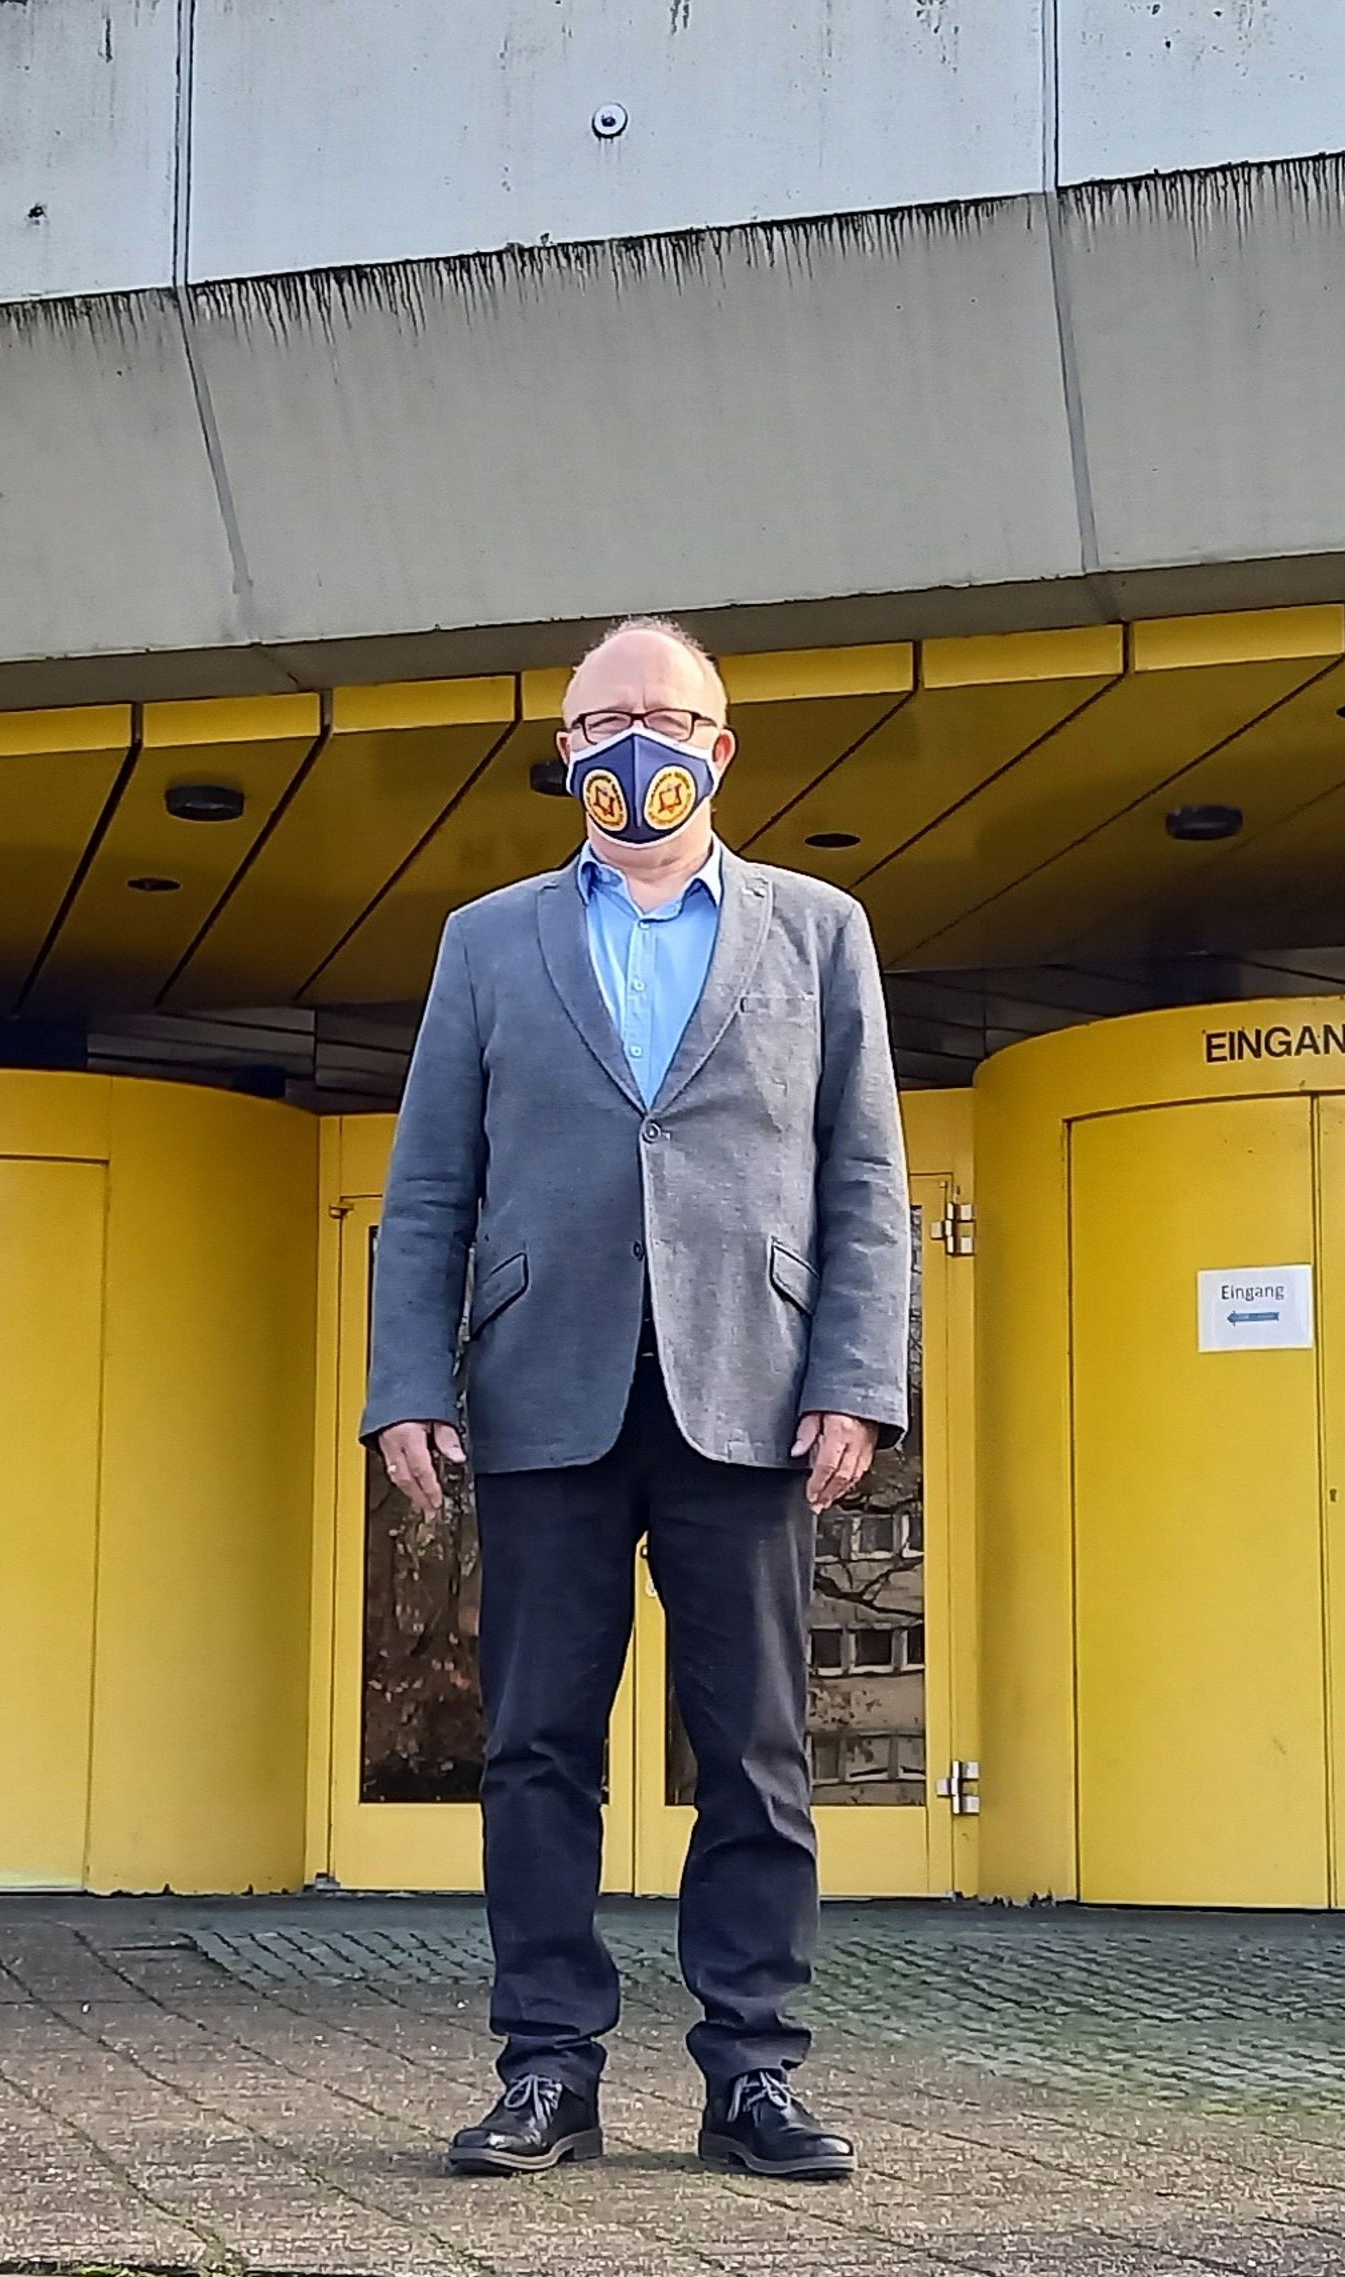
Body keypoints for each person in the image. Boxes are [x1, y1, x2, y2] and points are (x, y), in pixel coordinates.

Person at [367, 616, 910, 2182]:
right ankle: (548, 2068)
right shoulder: (489, 939)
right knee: (538, 1743)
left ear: (722, 750)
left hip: (751, 1391)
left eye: (666, 719)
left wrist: (857, 1378)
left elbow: (864, 1179)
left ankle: (752, 2071)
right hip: (546, 1393)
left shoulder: (819, 931)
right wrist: (410, 1378)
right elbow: (427, 1191)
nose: (634, 747)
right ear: (563, 751)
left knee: (752, 1748)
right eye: (602, 721)